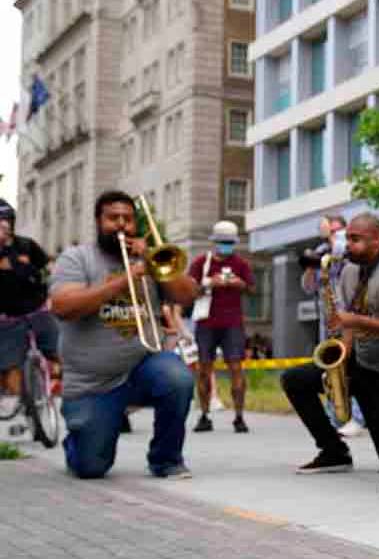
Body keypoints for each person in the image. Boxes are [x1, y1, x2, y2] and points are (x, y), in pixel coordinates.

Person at [48, 191, 198, 479]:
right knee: (91, 467)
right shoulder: (77, 258)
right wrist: (126, 279)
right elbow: (64, 307)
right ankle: (79, 440)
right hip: (93, 382)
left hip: (142, 366)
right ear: (97, 222)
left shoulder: (149, 260)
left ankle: (165, 459)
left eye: (127, 219)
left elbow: (188, 294)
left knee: (177, 378)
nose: (121, 225)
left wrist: (153, 262)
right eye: (112, 218)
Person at [281, 214, 379, 473]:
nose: (348, 245)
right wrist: (342, 353)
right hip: (357, 358)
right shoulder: (350, 271)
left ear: (376, 241)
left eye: (355, 239)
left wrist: (357, 322)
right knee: (294, 379)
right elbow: (349, 319)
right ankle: (333, 450)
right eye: (347, 238)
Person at [300, 213, 368, 437]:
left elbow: (342, 253)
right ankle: (336, 416)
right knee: (329, 368)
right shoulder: (321, 252)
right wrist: (310, 267)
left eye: (337, 230)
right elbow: (308, 288)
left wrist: (333, 240)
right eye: (331, 230)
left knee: (355, 365)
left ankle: (358, 416)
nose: (333, 234)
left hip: (349, 314)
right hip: (328, 318)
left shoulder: (348, 250)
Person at [188, 221, 254, 434]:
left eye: (230, 243)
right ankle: (205, 415)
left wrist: (239, 284)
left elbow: (252, 288)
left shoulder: (241, 263)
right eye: (223, 242)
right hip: (206, 322)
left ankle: (239, 416)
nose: (226, 246)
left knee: (236, 368)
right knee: (204, 370)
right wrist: (209, 283)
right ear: (214, 242)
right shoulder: (201, 263)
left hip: (233, 323)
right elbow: (188, 291)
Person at [0, 198, 58, 419]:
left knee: (57, 351)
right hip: (7, 318)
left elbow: (49, 266)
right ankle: (19, 402)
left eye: (6, 223)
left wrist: (54, 283)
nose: (3, 228)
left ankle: (55, 387)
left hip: (38, 309)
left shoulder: (26, 245)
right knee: (10, 364)